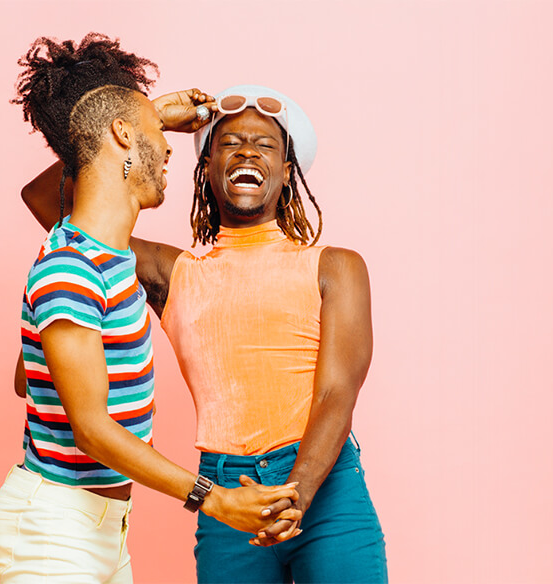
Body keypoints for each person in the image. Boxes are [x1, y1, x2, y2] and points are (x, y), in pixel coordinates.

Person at [20, 84, 388, 583]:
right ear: (206, 170)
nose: (247, 151)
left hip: (325, 489)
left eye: (265, 145)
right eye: (230, 143)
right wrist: (146, 120)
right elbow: (45, 199)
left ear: (287, 171)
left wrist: (293, 494)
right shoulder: (173, 273)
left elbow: (335, 392)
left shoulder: (335, 267)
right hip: (225, 495)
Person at [0, 36, 302, 584]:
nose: (169, 150)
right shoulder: (72, 267)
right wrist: (214, 500)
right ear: (123, 137)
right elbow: (89, 428)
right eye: (159, 135)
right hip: (56, 527)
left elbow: (28, 380)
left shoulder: (96, 256)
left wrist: (143, 118)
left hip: (101, 526)